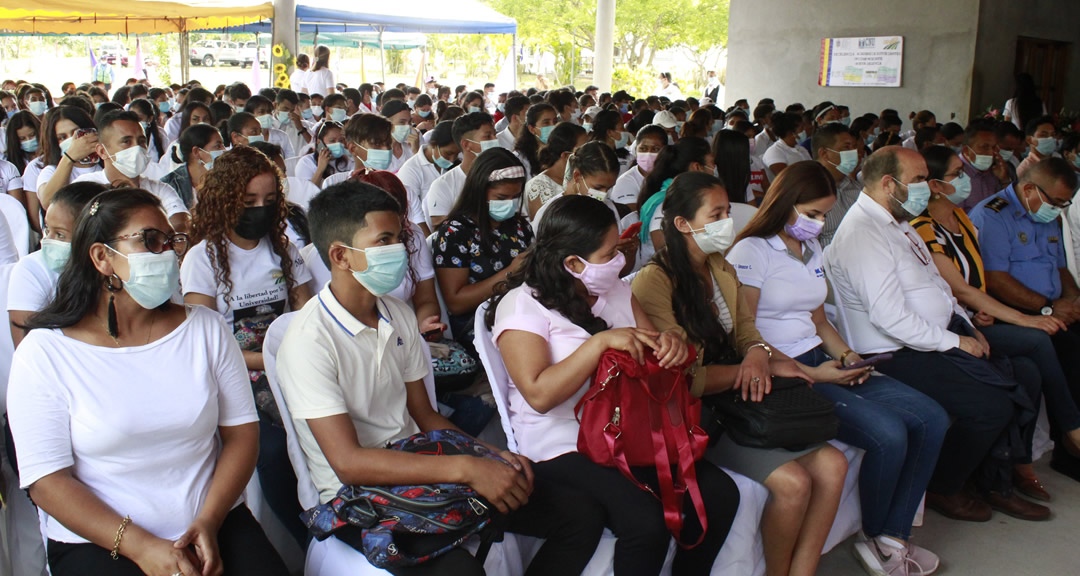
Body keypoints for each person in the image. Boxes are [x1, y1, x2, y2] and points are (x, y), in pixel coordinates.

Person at [277, 180, 604, 575]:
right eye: (384, 240)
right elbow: (348, 463)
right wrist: (466, 468)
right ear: (341, 255)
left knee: (579, 515)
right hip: (357, 497)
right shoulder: (308, 342)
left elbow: (425, 414)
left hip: (418, 462)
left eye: (399, 237)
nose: (400, 250)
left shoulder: (395, 314)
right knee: (460, 571)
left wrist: (487, 454)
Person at [8, 188, 289, 576]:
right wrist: (141, 547)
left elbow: (242, 435)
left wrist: (209, 520)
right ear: (102, 257)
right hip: (102, 539)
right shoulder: (45, 353)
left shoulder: (204, 329)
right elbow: (47, 481)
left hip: (211, 520)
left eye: (171, 241)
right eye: (150, 241)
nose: (167, 253)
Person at [490, 194, 739, 575]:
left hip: (626, 426)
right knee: (644, 521)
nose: (621, 260)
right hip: (560, 440)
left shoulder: (616, 290)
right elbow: (539, 395)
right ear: (573, 263)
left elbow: (653, 353)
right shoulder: (522, 306)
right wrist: (600, 343)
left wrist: (670, 344)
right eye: (609, 255)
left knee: (720, 494)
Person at [728, 161, 949, 576]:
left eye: (824, 214)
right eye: (812, 213)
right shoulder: (751, 251)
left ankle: (892, 537)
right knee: (888, 433)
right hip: (784, 369)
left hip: (820, 357)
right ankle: (878, 538)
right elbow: (747, 334)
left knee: (932, 417)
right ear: (785, 204)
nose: (820, 222)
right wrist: (811, 374)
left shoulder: (810, 249)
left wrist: (849, 357)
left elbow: (819, 321)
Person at [631, 172, 846, 576]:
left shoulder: (720, 267)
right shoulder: (654, 282)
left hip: (740, 396)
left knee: (834, 466)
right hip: (700, 413)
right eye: (717, 214)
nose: (728, 221)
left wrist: (758, 356)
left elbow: (749, 334)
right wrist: (749, 366)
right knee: (794, 483)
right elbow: (688, 379)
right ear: (683, 224)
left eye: (728, 210)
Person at [826, 146, 1047, 523]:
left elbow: (938, 287)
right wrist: (956, 341)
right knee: (992, 405)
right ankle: (945, 485)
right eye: (917, 181)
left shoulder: (901, 223)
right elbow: (890, 318)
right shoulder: (863, 234)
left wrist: (968, 323)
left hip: (936, 335)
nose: (926, 189)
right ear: (887, 183)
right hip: (898, 352)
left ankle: (996, 477)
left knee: (1025, 371)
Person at [916, 145, 1080, 501]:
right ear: (934, 185)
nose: (967, 179)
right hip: (959, 325)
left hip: (980, 316)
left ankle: (1012, 470)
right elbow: (973, 286)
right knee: (1043, 342)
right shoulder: (929, 226)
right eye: (958, 173)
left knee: (1029, 370)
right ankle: (1071, 428)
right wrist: (1038, 314)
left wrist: (1068, 301)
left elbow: (1055, 266)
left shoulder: (960, 218)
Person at [180, 146, 312, 549]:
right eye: (249, 201)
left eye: (270, 201)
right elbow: (205, 343)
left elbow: (305, 314)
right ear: (226, 201)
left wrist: (294, 358)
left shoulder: (284, 251)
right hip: (235, 373)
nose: (260, 210)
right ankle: (306, 540)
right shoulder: (202, 259)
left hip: (289, 361)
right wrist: (271, 361)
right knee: (271, 449)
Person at [968, 156, 1080, 483]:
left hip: (1053, 305)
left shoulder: (1047, 215)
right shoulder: (994, 215)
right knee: (1070, 350)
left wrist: (1073, 300)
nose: (1059, 208)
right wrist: (1048, 306)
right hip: (1010, 313)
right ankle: (1070, 447)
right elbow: (996, 279)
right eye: (1056, 201)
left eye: (1065, 203)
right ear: (1030, 189)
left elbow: (1060, 268)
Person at [433, 148, 531, 353]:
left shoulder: (518, 226)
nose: (510, 204)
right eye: (502, 197)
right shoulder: (455, 233)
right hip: (480, 322)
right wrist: (510, 274)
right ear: (479, 190)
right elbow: (456, 303)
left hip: (523, 309)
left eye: (516, 196)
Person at [8, 181, 105, 348]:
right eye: (47, 230)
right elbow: (27, 348)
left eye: (60, 235)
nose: (47, 240)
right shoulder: (31, 269)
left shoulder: (111, 271)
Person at [72, 111, 190, 234]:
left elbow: (181, 223)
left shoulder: (160, 189)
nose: (137, 148)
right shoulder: (85, 187)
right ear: (102, 151)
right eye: (126, 142)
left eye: (141, 141)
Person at [637, 137, 715, 258]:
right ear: (697, 167)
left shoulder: (688, 197)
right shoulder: (664, 203)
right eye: (712, 163)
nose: (714, 169)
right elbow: (664, 252)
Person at [426, 112, 499, 229]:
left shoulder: (504, 175)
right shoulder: (443, 185)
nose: (495, 139)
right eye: (487, 136)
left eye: (495, 134)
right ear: (466, 144)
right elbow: (440, 228)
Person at [396, 121, 459, 237]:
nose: (451, 160)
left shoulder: (456, 166)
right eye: (448, 153)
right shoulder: (411, 170)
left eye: (456, 154)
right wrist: (429, 243)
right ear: (434, 145)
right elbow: (412, 215)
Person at [33, 107, 100, 210]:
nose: (72, 140)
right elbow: (48, 203)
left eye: (76, 133)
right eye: (62, 137)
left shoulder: (106, 163)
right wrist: (69, 157)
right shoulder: (51, 171)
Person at [813, 123, 862, 246]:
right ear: (824, 153)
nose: (853, 153)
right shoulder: (808, 193)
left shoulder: (856, 188)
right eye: (846, 148)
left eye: (854, 147)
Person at [524, 122, 586, 218]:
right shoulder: (539, 186)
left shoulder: (585, 177)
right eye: (584, 150)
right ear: (566, 156)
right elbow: (542, 227)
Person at [160, 123, 224, 209]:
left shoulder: (225, 180)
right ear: (196, 152)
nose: (224, 150)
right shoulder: (169, 185)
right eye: (218, 146)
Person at [956, 120, 1012, 212]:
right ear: (966, 150)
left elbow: (1008, 207)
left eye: (994, 148)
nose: (991, 153)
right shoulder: (954, 173)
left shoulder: (995, 170)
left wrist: (1004, 180)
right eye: (984, 147)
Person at [610, 124, 666, 210]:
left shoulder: (672, 177)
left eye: (655, 149)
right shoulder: (625, 182)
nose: (648, 154)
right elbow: (634, 216)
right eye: (643, 149)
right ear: (636, 150)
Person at [296, 120, 353, 188]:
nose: (338, 144)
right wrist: (320, 169)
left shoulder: (349, 160)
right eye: (332, 141)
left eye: (341, 140)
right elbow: (307, 193)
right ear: (319, 142)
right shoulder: (306, 162)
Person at [243, 95, 296, 159]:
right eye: (261, 112)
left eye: (269, 111)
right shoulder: (244, 137)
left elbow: (290, 161)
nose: (267, 115)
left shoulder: (282, 136)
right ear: (250, 114)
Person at [514, 103, 558, 179]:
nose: (553, 126)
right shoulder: (520, 158)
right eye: (546, 122)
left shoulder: (562, 151)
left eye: (555, 121)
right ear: (532, 129)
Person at [763, 112, 811, 178]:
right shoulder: (775, 152)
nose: (804, 131)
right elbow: (785, 178)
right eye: (801, 128)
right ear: (791, 132)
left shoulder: (802, 149)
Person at [381, 99, 418, 172]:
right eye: (402, 122)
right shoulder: (376, 152)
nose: (407, 126)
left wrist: (416, 151)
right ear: (387, 123)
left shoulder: (411, 147)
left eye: (410, 122)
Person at [1016, 115, 1058, 179]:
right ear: (1029, 140)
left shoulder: (1057, 162)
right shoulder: (1025, 170)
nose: (1050, 138)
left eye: (1053, 135)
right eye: (1044, 135)